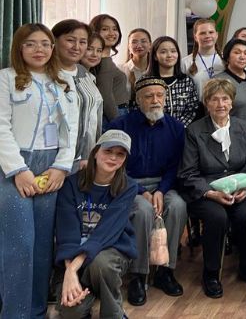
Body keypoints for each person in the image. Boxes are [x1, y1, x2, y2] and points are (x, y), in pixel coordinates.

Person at [0, 23, 79, 318]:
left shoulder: (63, 82)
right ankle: (15, 314)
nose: (39, 50)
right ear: (19, 48)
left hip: (52, 166)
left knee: (43, 245)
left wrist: (61, 167)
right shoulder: (6, 79)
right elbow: (1, 127)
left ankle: (35, 311)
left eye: (45, 44)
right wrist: (18, 170)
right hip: (15, 167)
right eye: (31, 44)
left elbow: (71, 129)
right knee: (20, 244)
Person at [179, 78, 246, 299]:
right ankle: (210, 273)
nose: (220, 104)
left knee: (245, 214)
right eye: (214, 99)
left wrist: (245, 188)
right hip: (207, 190)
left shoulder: (243, 127)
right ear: (206, 103)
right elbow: (188, 173)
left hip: (238, 189)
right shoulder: (194, 130)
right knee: (217, 217)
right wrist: (211, 193)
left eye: (225, 99)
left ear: (232, 102)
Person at [106, 77, 187, 305]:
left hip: (165, 183)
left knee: (178, 206)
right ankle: (138, 275)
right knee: (143, 210)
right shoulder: (120, 125)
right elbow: (115, 166)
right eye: (149, 96)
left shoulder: (176, 127)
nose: (155, 100)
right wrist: (141, 190)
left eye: (160, 95)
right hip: (129, 185)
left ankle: (165, 271)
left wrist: (161, 190)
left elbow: (176, 165)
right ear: (138, 100)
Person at [54, 130, 138, 319]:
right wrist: (69, 271)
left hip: (110, 251)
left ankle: (114, 313)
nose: (113, 158)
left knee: (100, 264)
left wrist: (73, 269)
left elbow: (106, 233)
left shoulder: (128, 187)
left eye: (120, 154)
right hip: (73, 254)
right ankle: (86, 297)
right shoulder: (71, 184)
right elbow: (66, 232)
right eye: (108, 151)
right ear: (96, 152)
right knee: (71, 311)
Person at [52, 19, 104, 171]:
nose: (76, 47)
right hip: (52, 157)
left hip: (82, 159)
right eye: (70, 40)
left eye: (82, 42)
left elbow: (93, 118)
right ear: (54, 40)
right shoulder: (46, 74)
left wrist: (89, 154)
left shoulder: (86, 75)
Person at [144, 36, 200, 127]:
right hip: (152, 130)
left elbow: (192, 109)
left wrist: (177, 127)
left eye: (173, 51)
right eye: (163, 52)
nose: (169, 55)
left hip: (181, 130)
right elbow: (139, 109)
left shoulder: (186, 81)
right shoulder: (145, 82)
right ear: (155, 56)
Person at [89, 14, 129, 123]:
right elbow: (106, 97)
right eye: (105, 29)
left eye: (115, 29)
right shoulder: (102, 61)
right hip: (114, 114)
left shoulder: (106, 60)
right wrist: (118, 123)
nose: (111, 33)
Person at [181, 17, 225, 99]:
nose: (207, 36)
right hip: (197, 105)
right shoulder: (185, 62)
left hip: (222, 105)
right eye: (202, 33)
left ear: (217, 35)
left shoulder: (227, 59)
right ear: (195, 37)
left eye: (211, 32)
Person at [120, 28, 152, 96]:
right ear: (129, 47)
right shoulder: (120, 70)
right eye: (134, 42)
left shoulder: (157, 69)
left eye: (143, 41)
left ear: (150, 45)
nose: (139, 46)